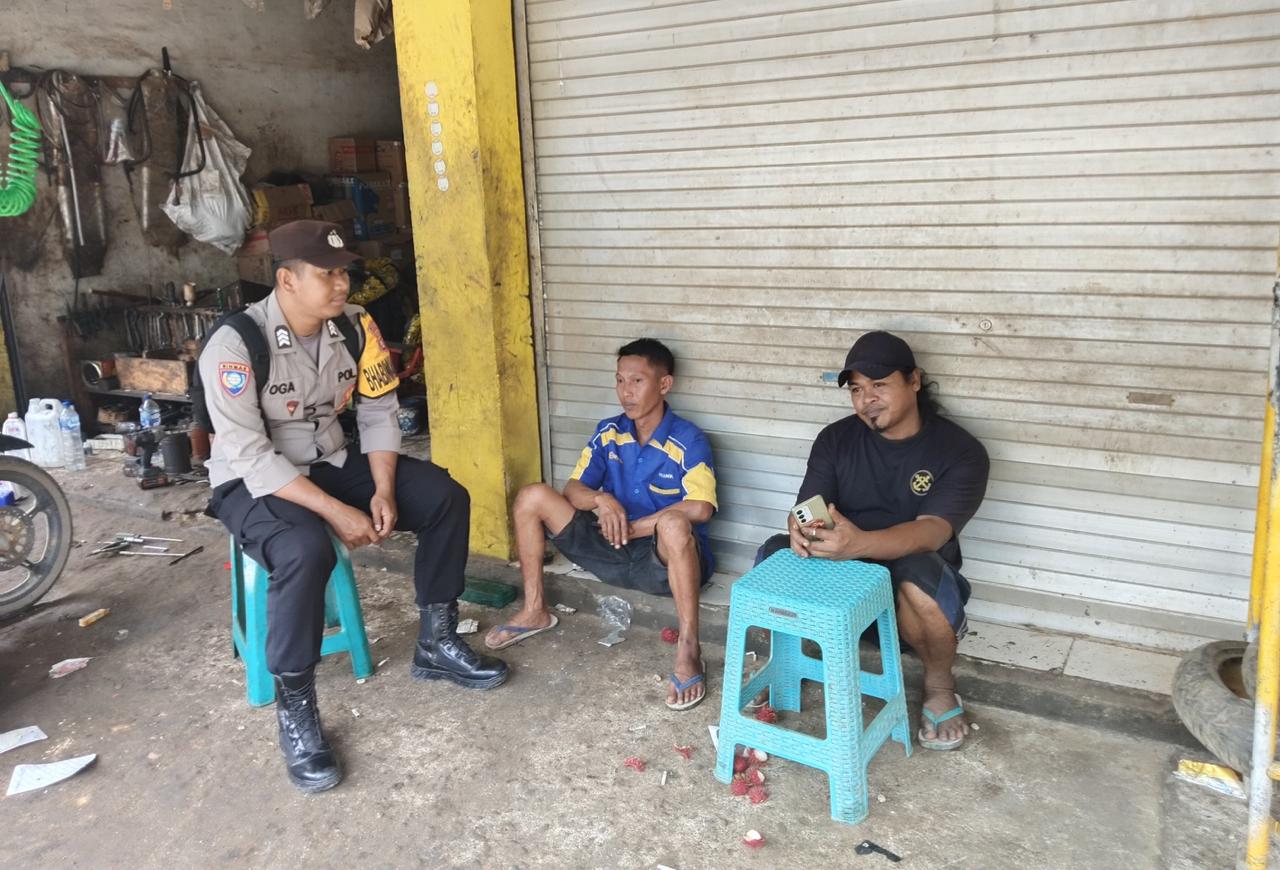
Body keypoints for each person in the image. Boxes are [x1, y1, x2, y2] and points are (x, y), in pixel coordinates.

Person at [201, 219, 507, 793]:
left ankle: (437, 640)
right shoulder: (236, 344)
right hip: (252, 480)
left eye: (344, 272)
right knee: (304, 549)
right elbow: (250, 454)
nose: (342, 284)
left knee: (444, 497)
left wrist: (383, 489)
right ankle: (296, 707)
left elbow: (378, 411)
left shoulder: (355, 325)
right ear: (287, 280)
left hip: (330, 459)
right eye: (327, 274)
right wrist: (339, 512)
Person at [757, 331, 988, 750]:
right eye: (857, 389)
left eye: (879, 385)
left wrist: (860, 544)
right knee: (773, 555)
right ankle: (785, 663)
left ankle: (939, 684)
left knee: (919, 574)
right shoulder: (836, 439)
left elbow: (934, 530)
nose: (867, 400)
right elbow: (809, 505)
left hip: (905, 595)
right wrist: (800, 526)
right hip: (840, 578)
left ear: (914, 380)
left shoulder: (960, 451)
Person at [483, 338, 718, 710]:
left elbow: (701, 508)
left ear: (664, 384)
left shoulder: (688, 439)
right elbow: (574, 489)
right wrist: (600, 500)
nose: (626, 392)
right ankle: (535, 610)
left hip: (660, 564)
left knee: (674, 523)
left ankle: (689, 649)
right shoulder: (609, 431)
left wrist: (637, 528)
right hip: (609, 548)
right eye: (620, 380)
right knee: (532, 496)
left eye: (637, 381)